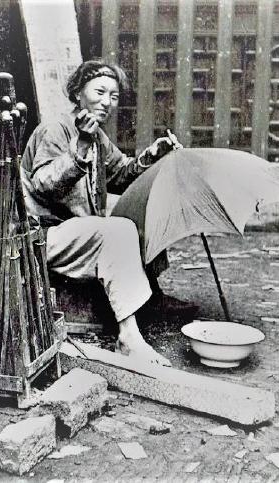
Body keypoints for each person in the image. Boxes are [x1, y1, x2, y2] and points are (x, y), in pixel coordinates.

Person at [20, 60, 193, 366]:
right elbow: (45, 184)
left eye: (113, 96)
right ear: (78, 93)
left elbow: (121, 175)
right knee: (118, 229)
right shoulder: (55, 129)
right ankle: (128, 338)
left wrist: (154, 154)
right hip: (44, 236)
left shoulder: (97, 136)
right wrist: (79, 148)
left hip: (77, 232)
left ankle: (151, 298)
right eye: (99, 92)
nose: (107, 102)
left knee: (142, 216)